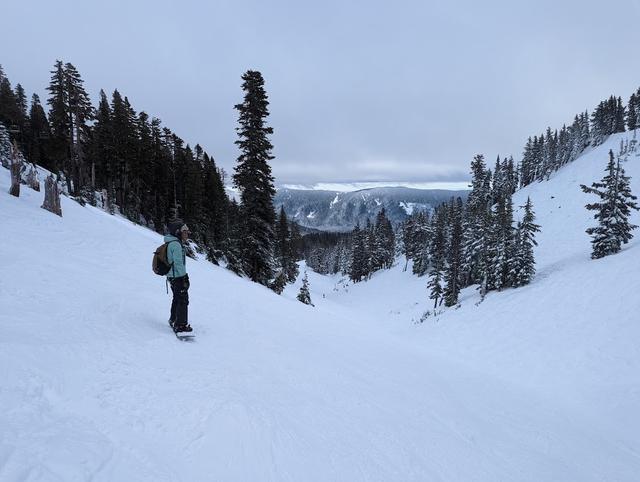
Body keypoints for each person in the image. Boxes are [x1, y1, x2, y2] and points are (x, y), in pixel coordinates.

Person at [166, 219, 192, 333]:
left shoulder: (172, 243)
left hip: (173, 276)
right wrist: (184, 277)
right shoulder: (176, 245)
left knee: (177, 298)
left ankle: (173, 319)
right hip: (178, 277)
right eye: (185, 231)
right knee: (183, 299)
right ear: (178, 232)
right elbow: (178, 263)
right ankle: (180, 324)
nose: (187, 234)